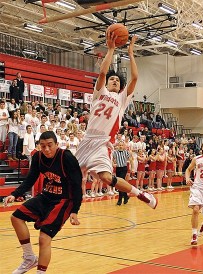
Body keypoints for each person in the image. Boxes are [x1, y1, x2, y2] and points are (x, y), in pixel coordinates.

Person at [75, 32, 157, 209]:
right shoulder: (99, 93)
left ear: (120, 86)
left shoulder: (121, 100)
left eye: (117, 81)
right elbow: (103, 71)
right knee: (70, 176)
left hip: (102, 142)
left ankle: (140, 194)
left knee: (105, 177)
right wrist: (110, 50)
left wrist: (131, 53)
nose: (114, 81)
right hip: (86, 140)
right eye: (112, 79)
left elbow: (135, 78)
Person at [3, 131, 83, 274]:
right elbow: (30, 178)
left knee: (44, 237)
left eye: (50, 145)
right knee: (16, 217)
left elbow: (77, 184)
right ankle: (29, 258)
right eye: (43, 146)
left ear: (57, 144)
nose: (46, 149)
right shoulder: (38, 156)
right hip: (46, 196)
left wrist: (75, 210)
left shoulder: (67, 157)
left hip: (63, 201)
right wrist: (15, 194)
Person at [113, 141, 133, 205]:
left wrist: (132, 168)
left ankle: (120, 199)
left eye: (122, 145)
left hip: (124, 168)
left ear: (123, 146)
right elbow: (112, 159)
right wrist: (113, 164)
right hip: (118, 168)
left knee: (120, 183)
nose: (121, 146)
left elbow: (130, 159)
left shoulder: (126, 152)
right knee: (119, 184)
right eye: (120, 145)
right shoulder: (115, 152)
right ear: (118, 146)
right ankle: (126, 196)